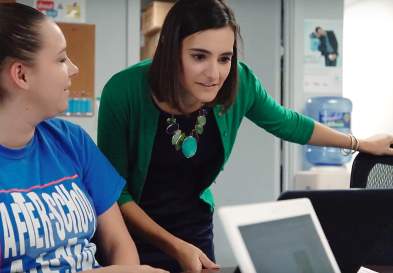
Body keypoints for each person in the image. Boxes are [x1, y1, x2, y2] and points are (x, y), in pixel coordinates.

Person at [97, 0, 393, 272]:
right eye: (199, 56)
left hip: (194, 230)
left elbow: (288, 123)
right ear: (171, 49)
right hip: (128, 234)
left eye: (224, 58)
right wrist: (172, 246)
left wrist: (360, 143)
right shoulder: (124, 92)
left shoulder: (240, 82)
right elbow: (113, 193)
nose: (214, 73)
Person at [0, 3, 168, 273]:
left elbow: (117, 242)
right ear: (21, 74)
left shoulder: (72, 140)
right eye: (61, 59)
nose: (74, 69)